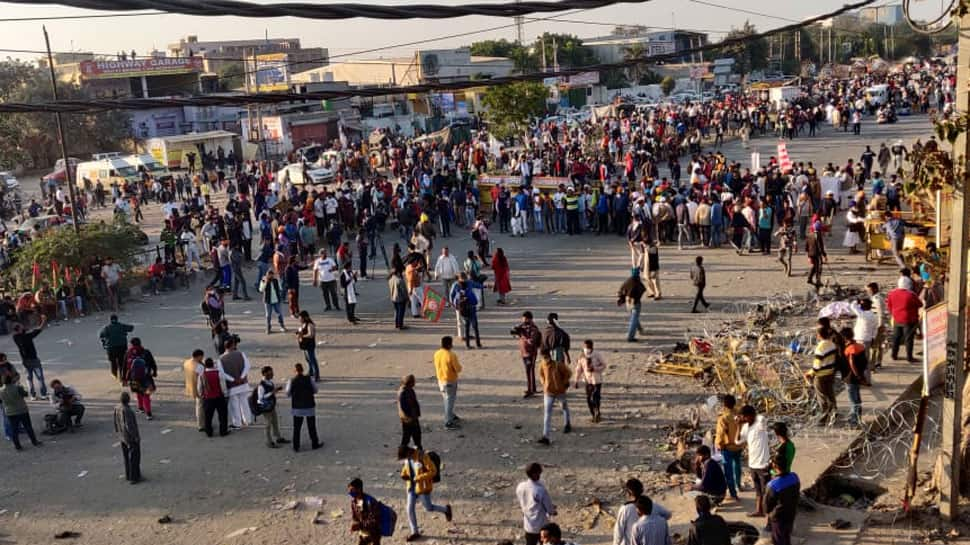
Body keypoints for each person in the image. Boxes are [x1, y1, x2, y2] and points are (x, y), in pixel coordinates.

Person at [399, 445, 453, 542]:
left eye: (405, 457)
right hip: (411, 487)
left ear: (408, 453)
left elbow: (433, 471)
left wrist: (419, 478)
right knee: (409, 508)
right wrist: (403, 474)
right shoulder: (408, 459)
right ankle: (414, 532)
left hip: (422, 487)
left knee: (429, 507)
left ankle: (446, 509)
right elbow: (406, 469)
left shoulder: (422, 457)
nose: (405, 459)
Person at [613, 478, 670, 545]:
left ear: (628, 493)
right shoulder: (651, 504)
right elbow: (668, 515)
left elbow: (619, 532)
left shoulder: (625, 509)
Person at [739, 404, 771, 517]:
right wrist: (739, 425)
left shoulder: (760, 423)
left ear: (751, 415)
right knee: (758, 490)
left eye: (745, 417)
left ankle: (768, 513)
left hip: (763, 464)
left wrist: (753, 416)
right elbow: (738, 441)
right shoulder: (745, 427)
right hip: (752, 464)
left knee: (766, 491)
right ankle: (759, 511)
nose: (743, 419)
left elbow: (762, 418)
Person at [516, 463, 556, 545]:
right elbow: (549, 508)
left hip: (528, 524)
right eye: (539, 473)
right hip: (541, 525)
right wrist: (553, 511)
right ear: (535, 474)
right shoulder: (540, 490)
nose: (540, 475)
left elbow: (523, 501)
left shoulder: (520, 486)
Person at [538, 348, 572, 445]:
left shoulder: (558, 365)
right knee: (547, 414)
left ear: (549, 356)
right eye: (543, 357)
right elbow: (541, 375)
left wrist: (564, 382)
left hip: (560, 391)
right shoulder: (542, 365)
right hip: (548, 392)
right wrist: (543, 382)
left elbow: (568, 373)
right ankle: (545, 436)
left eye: (546, 357)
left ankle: (567, 424)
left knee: (564, 407)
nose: (545, 359)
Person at [805, 325, 838, 426]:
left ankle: (824, 418)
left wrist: (809, 373)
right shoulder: (832, 344)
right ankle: (834, 412)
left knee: (822, 397)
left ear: (819, 335)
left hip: (821, 376)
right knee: (830, 394)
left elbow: (817, 366)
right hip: (830, 373)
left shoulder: (820, 348)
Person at [765, 453, 800, 545]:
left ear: (774, 466)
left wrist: (770, 513)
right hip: (791, 513)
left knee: (778, 540)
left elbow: (766, 506)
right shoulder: (795, 477)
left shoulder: (772, 485)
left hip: (778, 517)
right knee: (786, 536)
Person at [286, 362, 322, 451]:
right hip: (309, 406)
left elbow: (288, 393)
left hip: (297, 407)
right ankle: (314, 443)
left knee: (297, 428)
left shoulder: (291, 380)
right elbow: (315, 390)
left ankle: (296, 446)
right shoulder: (309, 379)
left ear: (294, 371)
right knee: (311, 426)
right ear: (302, 370)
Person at [0, 373, 41, 450]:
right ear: (12, 379)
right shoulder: (17, 387)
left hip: (10, 412)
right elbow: (25, 394)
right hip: (21, 409)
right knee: (28, 426)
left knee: (14, 429)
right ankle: (34, 441)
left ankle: (17, 446)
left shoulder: (1, 390)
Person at [219, 336, 252, 429]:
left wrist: (233, 380)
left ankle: (237, 423)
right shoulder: (241, 354)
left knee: (234, 405)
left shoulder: (221, 359)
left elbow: (222, 374)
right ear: (232, 345)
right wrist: (241, 378)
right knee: (244, 402)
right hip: (243, 384)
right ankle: (248, 420)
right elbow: (247, 366)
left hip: (232, 386)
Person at [714, 394, 742, 501]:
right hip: (738, 445)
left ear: (724, 405)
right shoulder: (738, 415)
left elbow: (720, 434)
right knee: (737, 466)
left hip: (728, 447)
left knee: (728, 471)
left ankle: (733, 494)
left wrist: (718, 444)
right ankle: (739, 485)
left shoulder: (723, 418)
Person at [887, 280, 922, 363]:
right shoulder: (911, 294)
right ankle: (909, 357)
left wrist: (894, 313)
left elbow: (889, 305)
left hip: (896, 319)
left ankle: (894, 355)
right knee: (908, 339)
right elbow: (920, 304)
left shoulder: (892, 294)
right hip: (909, 320)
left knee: (896, 337)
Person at [12, 318, 48, 400]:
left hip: (25, 362)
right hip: (34, 360)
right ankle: (43, 394)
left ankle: (32, 395)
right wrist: (43, 321)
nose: (23, 327)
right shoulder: (27, 336)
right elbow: (39, 329)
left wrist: (23, 329)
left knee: (29, 379)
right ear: (19, 329)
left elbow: (22, 331)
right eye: (22, 327)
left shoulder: (15, 337)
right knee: (40, 378)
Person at [841, 327, 869, 427]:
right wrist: (861, 377)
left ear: (844, 337)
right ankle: (857, 418)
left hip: (851, 378)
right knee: (857, 399)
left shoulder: (850, 348)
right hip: (857, 376)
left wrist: (857, 375)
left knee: (853, 400)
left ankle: (854, 421)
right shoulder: (860, 346)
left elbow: (852, 362)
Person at [434, 336, 462, 430]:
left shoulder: (437, 353)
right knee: (450, 400)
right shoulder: (451, 355)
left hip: (440, 379)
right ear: (450, 344)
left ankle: (451, 414)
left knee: (446, 399)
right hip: (450, 380)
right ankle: (448, 421)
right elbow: (458, 369)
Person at [257, 365, 289, 448]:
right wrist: (272, 392)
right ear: (264, 374)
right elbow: (261, 397)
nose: (272, 374)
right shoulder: (261, 385)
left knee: (275, 422)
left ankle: (278, 437)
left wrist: (275, 390)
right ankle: (269, 441)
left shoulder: (270, 382)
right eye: (270, 373)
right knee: (268, 424)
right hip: (265, 407)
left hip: (271, 405)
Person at [512, 311, 543, 398]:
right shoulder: (523, 327)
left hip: (531, 353)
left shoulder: (534, 329)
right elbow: (515, 332)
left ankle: (530, 390)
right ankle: (532, 388)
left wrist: (523, 334)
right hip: (524, 352)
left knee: (529, 370)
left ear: (530, 319)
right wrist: (517, 330)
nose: (523, 320)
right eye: (523, 318)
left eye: (525, 318)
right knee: (529, 370)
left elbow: (532, 341)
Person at [574, 340, 606, 423]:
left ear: (592, 347)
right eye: (585, 347)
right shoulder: (582, 356)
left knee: (596, 397)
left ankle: (597, 412)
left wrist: (595, 369)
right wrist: (576, 381)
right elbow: (578, 369)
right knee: (588, 399)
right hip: (587, 381)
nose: (587, 349)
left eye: (588, 347)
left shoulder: (597, 355)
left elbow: (604, 365)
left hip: (597, 380)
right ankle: (593, 415)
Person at [198, 357, 229, 437]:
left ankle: (209, 432)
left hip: (208, 398)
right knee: (222, 415)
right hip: (219, 397)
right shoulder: (218, 373)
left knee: (208, 417)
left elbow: (200, 388)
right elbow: (223, 386)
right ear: (213, 364)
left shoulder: (202, 375)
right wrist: (225, 395)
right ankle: (223, 431)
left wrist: (202, 396)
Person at [114, 391, 141, 483]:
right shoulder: (127, 410)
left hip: (122, 436)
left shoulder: (117, 408)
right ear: (128, 400)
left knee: (126, 457)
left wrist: (118, 431)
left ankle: (128, 475)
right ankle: (134, 477)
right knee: (134, 457)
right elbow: (130, 426)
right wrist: (136, 437)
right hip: (130, 437)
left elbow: (116, 421)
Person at [348, 478, 383, 545]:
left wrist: (359, 525)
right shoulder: (354, 502)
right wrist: (355, 523)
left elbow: (374, 521)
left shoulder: (370, 502)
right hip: (363, 533)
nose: (350, 493)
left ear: (359, 489)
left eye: (352, 490)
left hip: (374, 534)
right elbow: (355, 517)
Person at [100, 314, 134, 382]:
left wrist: (104, 342)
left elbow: (101, 335)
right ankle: (121, 376)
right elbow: (131, 328)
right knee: (121, 362)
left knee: (113, 362)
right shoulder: (121, 326)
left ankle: (114, 374)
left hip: (111, 348)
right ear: (117, 319)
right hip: (122, 347)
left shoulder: (107, 328)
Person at [617, 268, 646, 342]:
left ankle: (640, 329)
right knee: (634, 318)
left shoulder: (628, 281)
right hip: (635, 302)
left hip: (627, 302)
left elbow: (621, 290)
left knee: (634, 317)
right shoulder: (637, 282)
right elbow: (643, 289)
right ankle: (630, 336)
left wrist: (622, 299)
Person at [183, 349, 205, 432]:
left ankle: (201, 423)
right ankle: (201, 425)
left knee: (198, 406)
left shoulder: (186, 362)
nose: (203, 358)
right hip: (199, 389)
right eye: (202, 356)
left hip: (190, 387)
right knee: (201, 407)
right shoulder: (199, 367)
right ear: (199, 356)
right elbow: (204, 378)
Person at [259, 269, 287, 334]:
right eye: (269, 275)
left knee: (279, 313)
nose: (271, 277)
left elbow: (280, 288)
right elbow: (261, 290)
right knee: (268, 315)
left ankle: (282, 326)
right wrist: (265, 282)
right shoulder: (263, 281)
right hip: (268, 301)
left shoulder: (276, 281)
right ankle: (268, 328)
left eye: (272, 275)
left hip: (276, 300)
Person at [398, 374, 422, 449]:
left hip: (411, 416)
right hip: (408, 418)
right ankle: (404, 449)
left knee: (414, 434)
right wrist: (410, 416)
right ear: (410, 383)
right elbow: (404, 406)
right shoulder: (404, 392)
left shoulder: (408, 390)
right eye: (414, 381)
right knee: (409, 434)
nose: (415, 383)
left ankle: (417, 447)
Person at [866, 282, 887, 369]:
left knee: (874, 345)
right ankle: (878, 362)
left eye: (869, 290)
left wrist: (879, 325)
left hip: (877, 325)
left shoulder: (877, 299)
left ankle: (873, 364)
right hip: (877, 324)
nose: (868, 292)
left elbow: (880, 313)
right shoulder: (876, 297)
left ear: (874, 289)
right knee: (879, 345)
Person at [296, 311, 320, 381]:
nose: (299, 319)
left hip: (309, 345)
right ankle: (311, 372)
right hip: (304, 345)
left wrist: (302, 336)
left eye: (301, 318)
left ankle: (316, 375)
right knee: (307, 359)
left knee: (312, 360)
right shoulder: (302, 324)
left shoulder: (310, 325)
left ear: (305, 317)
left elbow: (311, 335)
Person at [805, 221, 827, 289]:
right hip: (817, 254)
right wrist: (824, 255)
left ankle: (809, 278)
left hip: (811, 253)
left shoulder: (809, 235)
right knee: (819, 268)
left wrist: (808, 256)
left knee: (814, 266)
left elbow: (806, 247)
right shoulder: (819, 236)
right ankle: (818, 281)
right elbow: (821, 247)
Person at [389, 265, 409, 330]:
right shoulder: (400, 281)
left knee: (396, 311)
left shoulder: (390, 280)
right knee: (401, 312)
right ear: (398, 273)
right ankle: (400, 325)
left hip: (393, 298)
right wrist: (407, 298)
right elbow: (404, 291)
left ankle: (397, 324)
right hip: (400, 299)